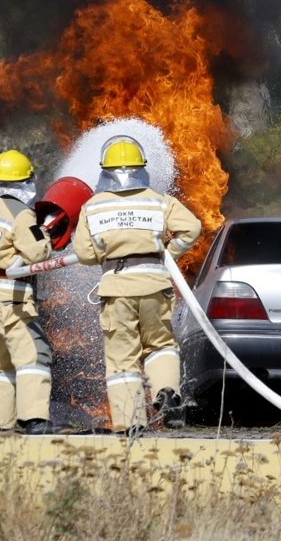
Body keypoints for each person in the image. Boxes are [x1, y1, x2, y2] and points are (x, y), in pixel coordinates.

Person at [72, 135, 202, 436]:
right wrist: (170, 253)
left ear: (105, 170)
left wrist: (106, 254)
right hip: (155, 284)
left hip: (117, 289)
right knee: (161, 344)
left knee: (122, 358)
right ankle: (167, 392)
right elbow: (191, 228)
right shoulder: (157, 200)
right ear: (141, 168)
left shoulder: (93, 207)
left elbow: (84, 254)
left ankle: (131, 421)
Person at [0, 150, 59, 435]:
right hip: (11, 296)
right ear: (25, 182)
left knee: (2, 360)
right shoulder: (20, 213)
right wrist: (45, 233)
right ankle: (33, 419)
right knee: (34, 353)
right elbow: (37, 252)